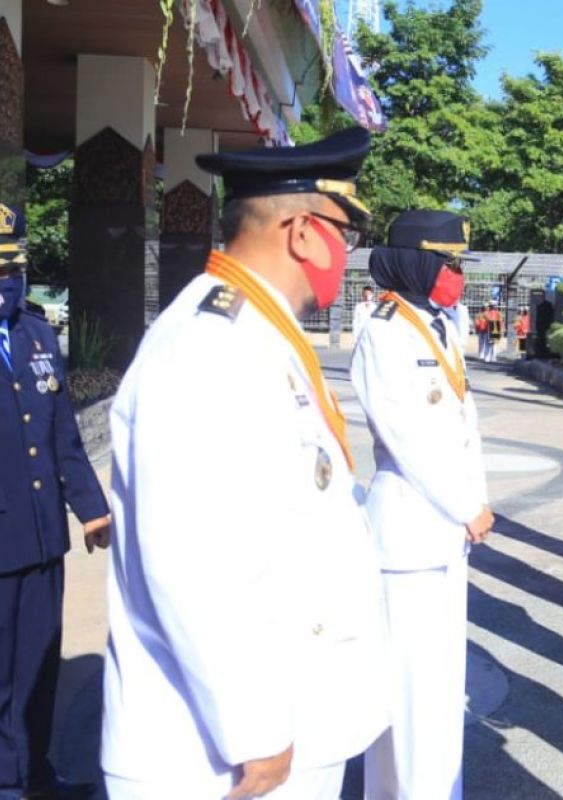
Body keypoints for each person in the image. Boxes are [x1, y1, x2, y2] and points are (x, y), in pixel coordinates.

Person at [103, 128, 388, 799]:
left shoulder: (255, 334)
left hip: (282, 717)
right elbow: (191, 559)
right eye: (343, 234)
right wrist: (254, 728)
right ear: (302, 231)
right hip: (222, 753)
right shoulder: (211, 347)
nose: (345, 255)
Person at [351, 210, 492, 800]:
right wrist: (467, 504)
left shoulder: (436, 324)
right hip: (409, 528)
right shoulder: (385, 327)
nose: (455, 274)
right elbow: (408, 435)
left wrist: (474, 503)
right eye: (448, 262)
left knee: (435, 690)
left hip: (442, 531)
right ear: (417, 261)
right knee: (409, 693)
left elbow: (462, 426)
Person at [0, 205, 111, 800]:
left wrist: (90, 507)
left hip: (43, 537)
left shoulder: (37, 334)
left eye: (11, 269)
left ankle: (37, 773)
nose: (6, 284)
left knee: (42, 663)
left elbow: (62, 433)